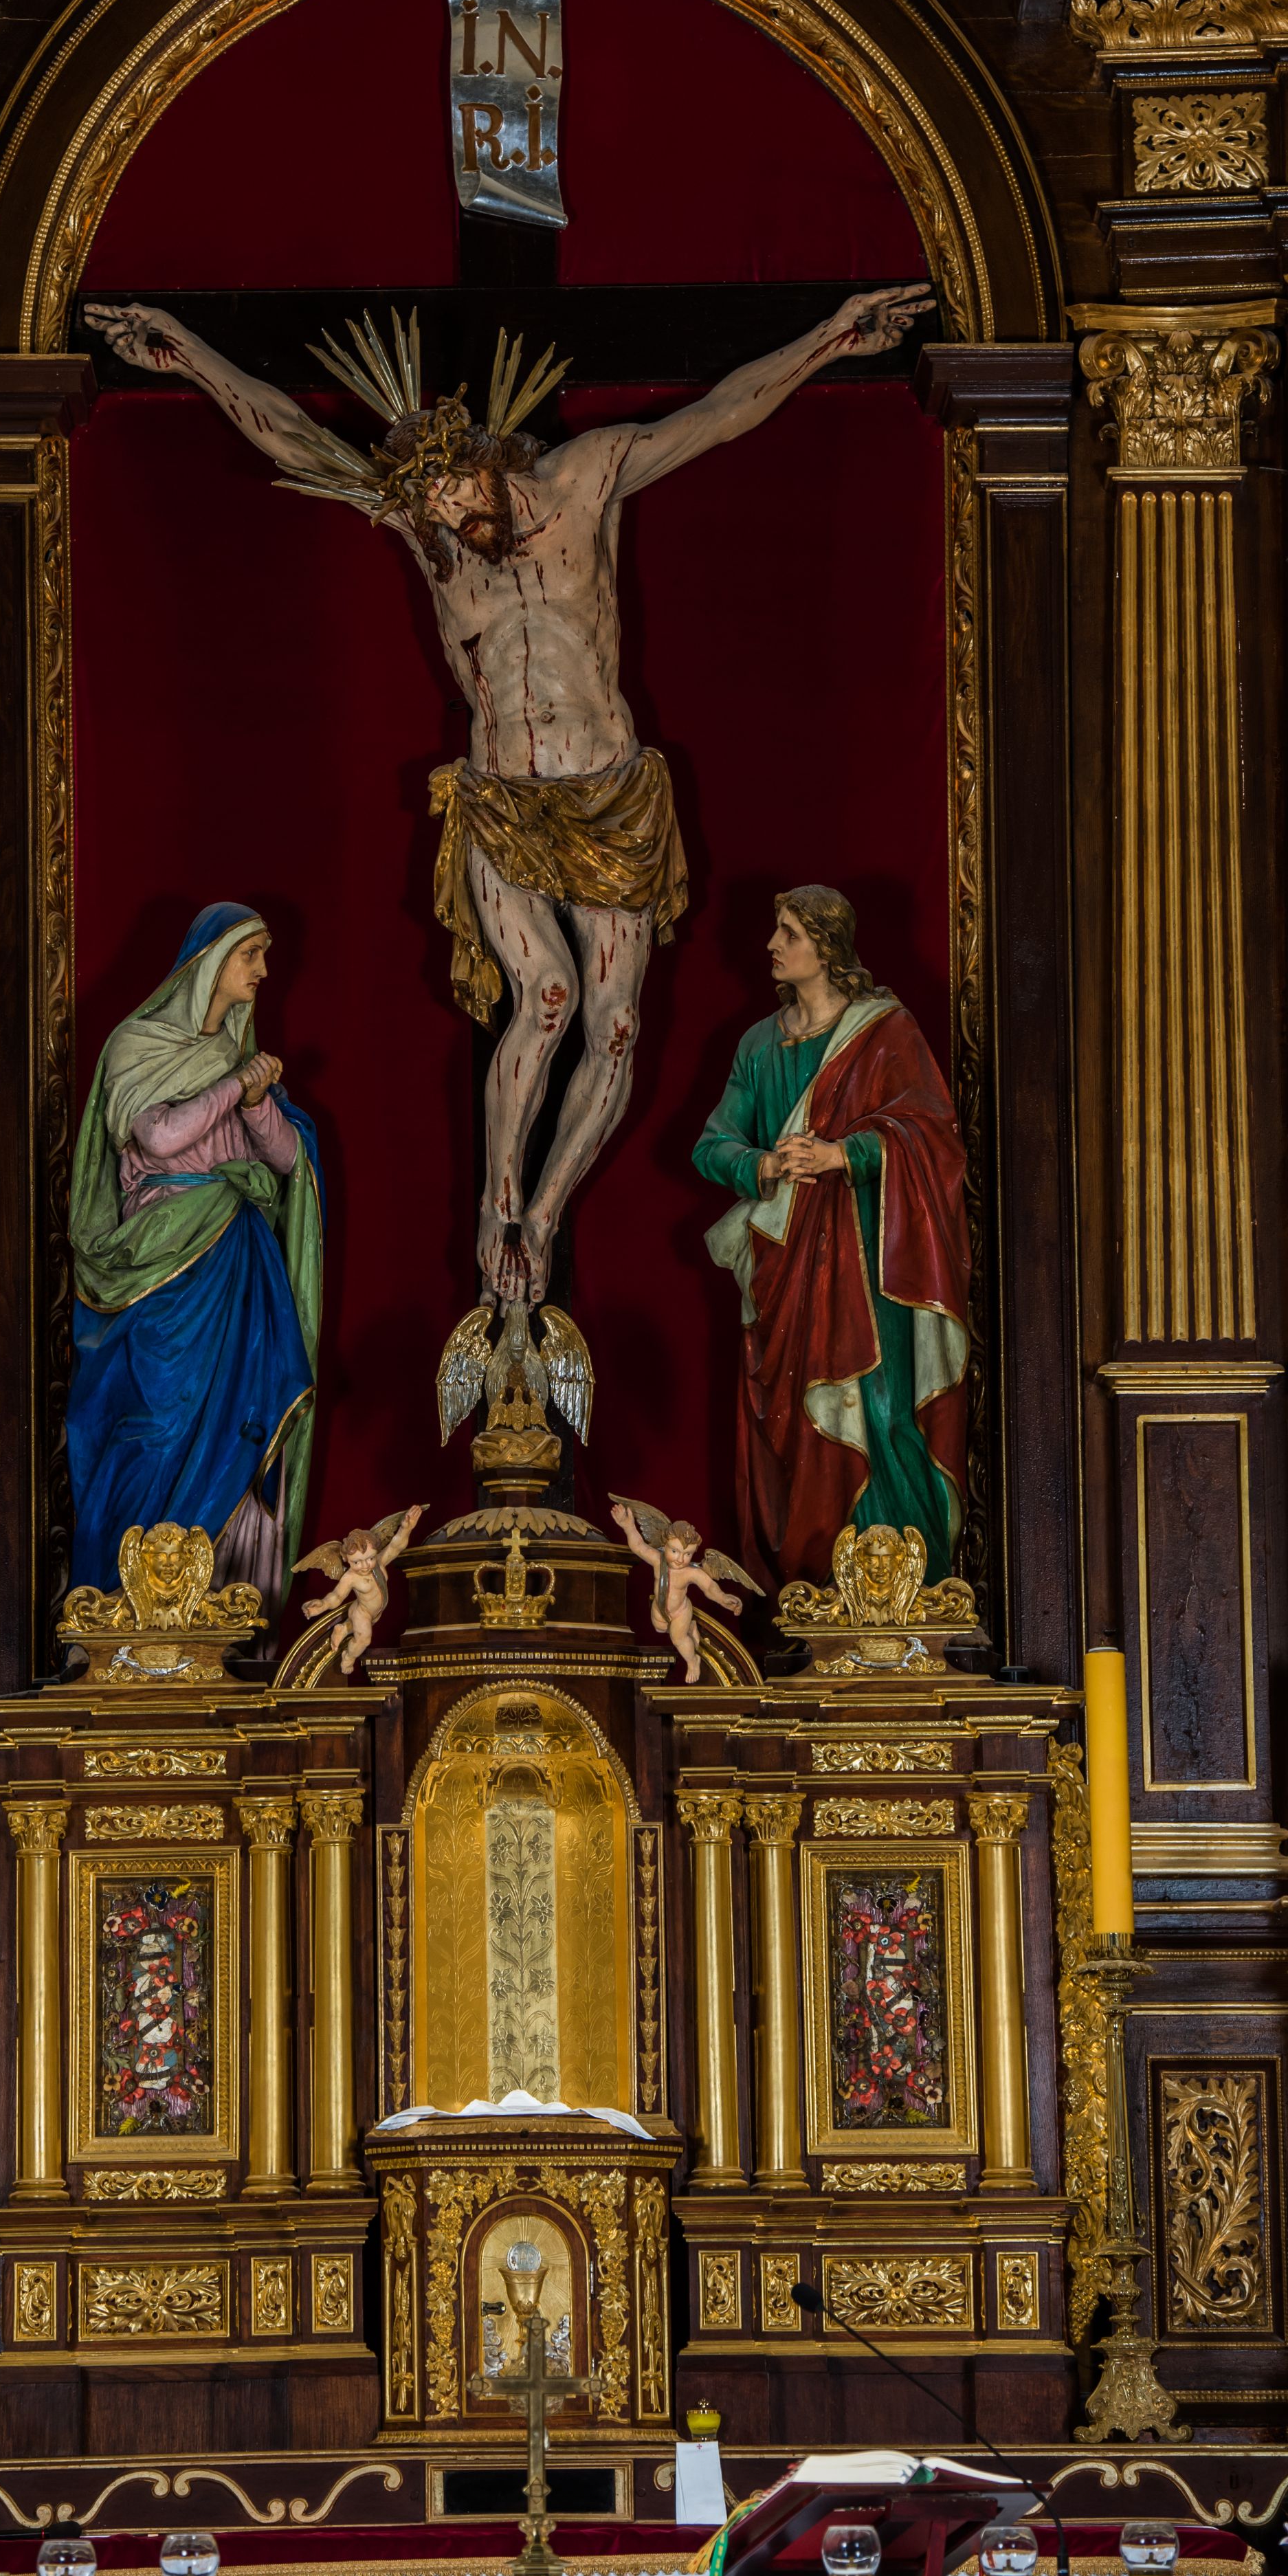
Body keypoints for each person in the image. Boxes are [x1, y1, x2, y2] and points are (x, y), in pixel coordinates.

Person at [87, 289, 931, 1303]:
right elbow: (295, 436)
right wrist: (187, 355)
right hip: (501, 800)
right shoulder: (431, 532)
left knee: (614, 1025)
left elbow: (718, 415)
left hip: (609, 801)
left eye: (452, 493)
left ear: (481, 457)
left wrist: (831, 339)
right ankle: (498, 1200)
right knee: (548, 997)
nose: (447, 520)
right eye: (430, 509)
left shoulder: (587, 477)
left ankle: (547, 1206)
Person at [692, 884, 967, 1595]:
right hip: (785, 1264)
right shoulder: (760, 1044)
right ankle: (815, 1583)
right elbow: (712, 1145)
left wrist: (844, 1154)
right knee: (796, 1425)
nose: (772, 945)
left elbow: (934, 1135)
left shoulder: (886, 1032)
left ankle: (903, 1588)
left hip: (873, 1266)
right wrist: (764, 1164)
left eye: (789, 932)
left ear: (826, 945)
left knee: (880, 1407)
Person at [66, 901, 322, 1602]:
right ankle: (120, 1603)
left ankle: (215, 1605)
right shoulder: (135, 1045)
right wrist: (236, 1086)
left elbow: (285, 1161)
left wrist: (257, 1100)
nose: (263, 970)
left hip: (236, 1264)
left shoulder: (236, 1059)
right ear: (210, 962)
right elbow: (159, 1136)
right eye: (251, 954)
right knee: (158, 1420)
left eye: (265, 954)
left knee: (238, 1418)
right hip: (161, 1265)